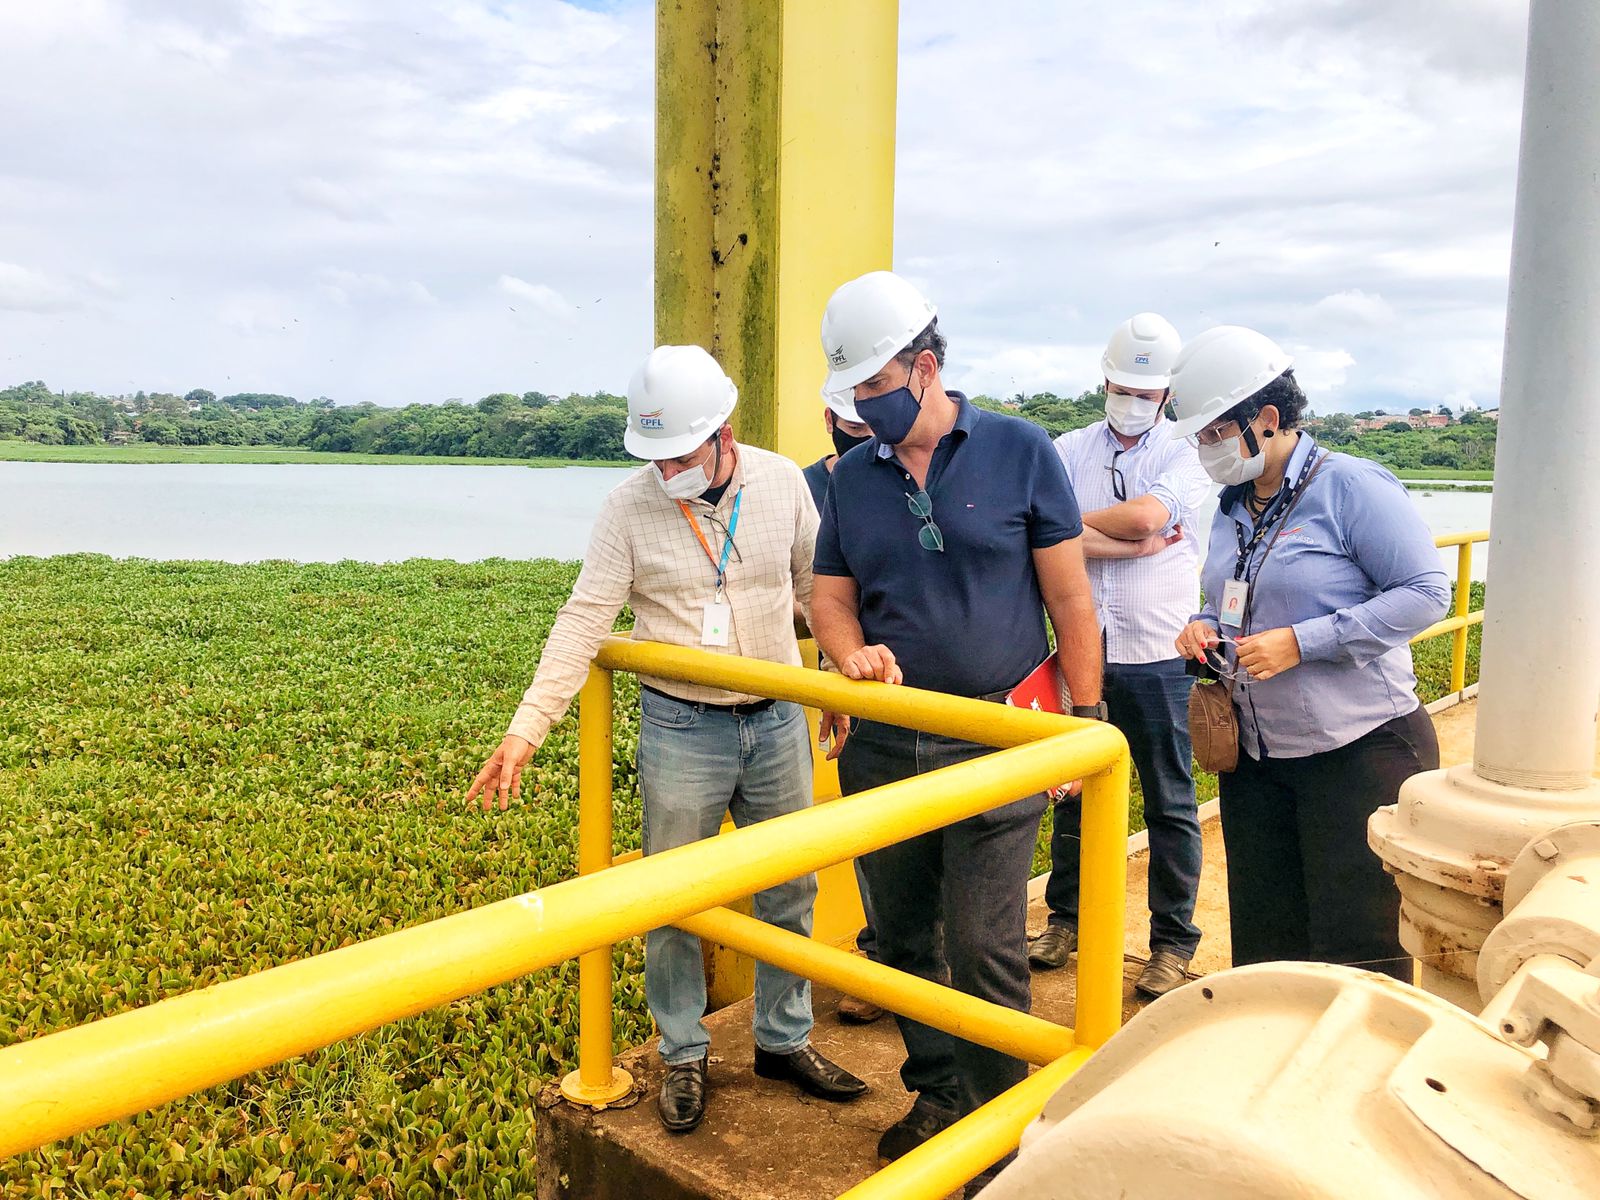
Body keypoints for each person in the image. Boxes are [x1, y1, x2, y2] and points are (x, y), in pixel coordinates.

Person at [465, 345, 865, 1135]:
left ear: (724, 429)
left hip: (780, 714)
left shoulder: (784, 483)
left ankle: (784, 1042)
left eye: (680, 452)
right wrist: (526, 729)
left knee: (790, 883)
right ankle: (683, 1053)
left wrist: (834, 683)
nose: (668, 469)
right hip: (683, 724)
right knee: (672, 896)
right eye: (655, 456)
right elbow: (584, 619)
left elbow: (821, 589)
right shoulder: (627, 508)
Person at [808, 271, 1104, 1194]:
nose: (863, 407)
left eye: (873, 386)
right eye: (852, 393)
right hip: (886, 746)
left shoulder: (1020, 452)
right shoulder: (848, 479)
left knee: (983, 943)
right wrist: (850, 656)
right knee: (899, 938)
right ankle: (937, 1091)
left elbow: (1068, 597)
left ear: (926, 368)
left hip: (998, 741)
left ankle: (1002, 1122)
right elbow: (831, 597)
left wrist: (1084, 726)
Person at [1167, 326, 1449, 982]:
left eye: (1213, 432)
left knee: (1360, 950)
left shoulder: (1350, 488)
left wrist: (1304, 642)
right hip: (1260, 763)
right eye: (1200, 436)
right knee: (1269, 946)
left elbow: (1426, 593)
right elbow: (1232, 600)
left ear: (1266, 420)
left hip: (1359, 755)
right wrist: (1205, 626)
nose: (1206, 449)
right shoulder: (1236, 508)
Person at [1035, 313, 1211, 998]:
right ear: (1103, 379)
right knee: (1071, 795)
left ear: (1167, 394)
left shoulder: (1187, 451)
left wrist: (1084, 531)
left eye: (1147, 391)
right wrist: (1130, 546)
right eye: (1123, 386)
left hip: (1159, 654)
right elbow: (1044, 531)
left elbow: (1145, 518)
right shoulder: (1064, 448)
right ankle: (1063, 921)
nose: (1133, 399)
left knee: (1170, 801)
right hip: (1082, 651)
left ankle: (1171, 944)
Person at [801, 389, 885, 1026]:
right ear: (831, 422)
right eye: (853, 425)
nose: (864, 434)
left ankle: (912, 967)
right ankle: (881, 958)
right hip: (856, 677)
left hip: (916, 678)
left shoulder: (907, 472)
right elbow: (816, 593)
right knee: (874, 830)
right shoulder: (807, 486)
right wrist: (837, 664)